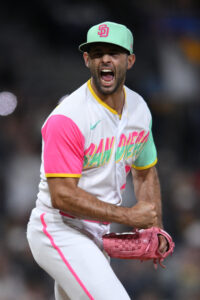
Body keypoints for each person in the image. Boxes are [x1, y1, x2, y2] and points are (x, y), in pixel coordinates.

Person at [27, 21, 168, 300]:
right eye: (97, 52)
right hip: (59, 229)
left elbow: (145, 171)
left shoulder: (139, 109)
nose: (105, 58)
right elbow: (62, 196)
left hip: (97, 233)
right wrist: (129, 216)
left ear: (130, 60)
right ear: (86, 60)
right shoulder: (68, 117)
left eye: (114, 52)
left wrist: (155, 226)